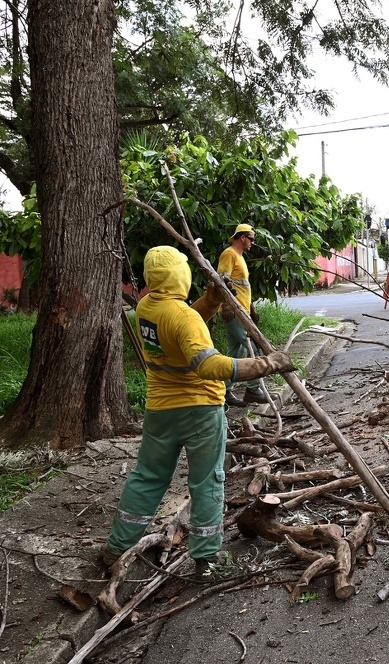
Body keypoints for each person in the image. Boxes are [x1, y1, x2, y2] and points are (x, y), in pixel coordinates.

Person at [102, 246, 294, 573]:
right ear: (181, 275)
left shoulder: (147, 307)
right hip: (200, 410)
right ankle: (205, 556)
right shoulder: (184, 317)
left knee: (147, 477)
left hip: (160, 410)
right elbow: (208, 365)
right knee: (207, 481)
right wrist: (266, 363)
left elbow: (179, 327)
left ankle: (116, 547)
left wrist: (212, 300)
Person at [217, 223, 267, 407]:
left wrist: (251, 309)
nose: (253, 243)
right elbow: (222, 280)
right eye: (251, 238)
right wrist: (228, 305)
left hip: (242, 311)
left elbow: (242, 286)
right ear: (242, 237)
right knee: (254, 344)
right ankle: (253, 389)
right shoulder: (229, 254)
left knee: (235, 352)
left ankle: (225, 391)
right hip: (235, 312)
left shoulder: (240, 257)